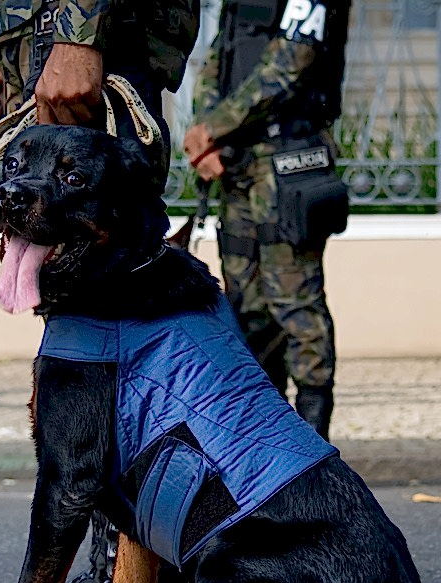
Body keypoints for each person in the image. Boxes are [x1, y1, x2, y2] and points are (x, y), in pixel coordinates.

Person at [0, 0, 203, 583]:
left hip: (98, 37)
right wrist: (12, 51)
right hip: (64, 42)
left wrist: (76, 39)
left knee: (106, 373)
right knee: (100, 362)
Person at [183, 0, 352, 441]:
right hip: (237, 162)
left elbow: (290, 61)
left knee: (296, 304)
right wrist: (205, 132)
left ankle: (314, 444)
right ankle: (267, 444)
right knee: (247, 309)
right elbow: (219, 57)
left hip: (289, 161)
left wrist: (214, 128)